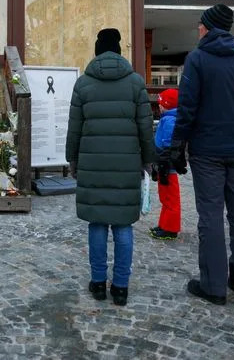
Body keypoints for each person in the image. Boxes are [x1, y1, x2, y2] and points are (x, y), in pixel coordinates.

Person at [166, 4, 234, 305]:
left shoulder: (197, 59)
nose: (198, 28)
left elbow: (187, 108)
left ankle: (213, 285)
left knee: (210, 215)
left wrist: (177, 146)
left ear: (208, 27)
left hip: (207, 150)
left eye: (200, 24)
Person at [66, 28, 155, 306]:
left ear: (96, 51)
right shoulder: (135, 83)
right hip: (127, 164)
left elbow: (74, 127)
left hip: (92, 163)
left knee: (97, 223)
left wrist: (72, 160)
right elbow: (145, 127)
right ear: (118, 51)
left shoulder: (83, 84)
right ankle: (120, 287)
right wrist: (148, 160)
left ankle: (97, 283)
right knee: (123, 224)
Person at [150, 88, 181, 240]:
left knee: (170, 197)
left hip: (167, 165)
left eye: (161, 104)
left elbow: (168, 143)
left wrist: (163, 163)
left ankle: (170, 228)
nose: (159, 106)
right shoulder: (168, 119)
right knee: (165, 196)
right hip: (163, 163)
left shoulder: (169, 120)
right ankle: (164, 224)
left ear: (167, 105)